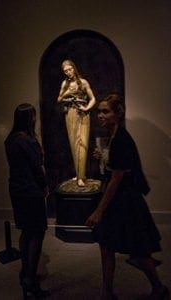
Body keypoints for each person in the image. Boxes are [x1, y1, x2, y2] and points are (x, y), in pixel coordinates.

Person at [85, 97, 169, 300]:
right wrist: (104, 156)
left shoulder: (121, 139)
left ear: (118, 113)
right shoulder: (114, 136)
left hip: (125, 202)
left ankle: (159, 288)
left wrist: (99, 211)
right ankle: (107, 292)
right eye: (99, 112)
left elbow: (116, 179)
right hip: (118, 200)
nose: (100, 115)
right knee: (106, 246)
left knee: (139, 252)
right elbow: (116, 166)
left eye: (105, 111)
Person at [4, 103, 50, 299]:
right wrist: (45, 185)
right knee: (37, 233)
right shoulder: (28, 141)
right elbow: (37, 168)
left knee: (25, 231)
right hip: (31, 191)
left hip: (16, 190)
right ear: (30, 119)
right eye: (34, 116)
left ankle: (25, 272)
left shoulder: (10, 139)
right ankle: (30, 280)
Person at [57, 59, 96, 187]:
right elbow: (59, 99)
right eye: (65, 71)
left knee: (82, 143)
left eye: (70, 69)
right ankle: (80, 174)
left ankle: (81, 177)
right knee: (74, 143)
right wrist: (67, 92)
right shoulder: (64, 84)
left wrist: (86, 108)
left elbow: (93, 99)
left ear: (74, 68)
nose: (68, 72)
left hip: (82, 113)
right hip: (70, 114)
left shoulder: (83, 82)